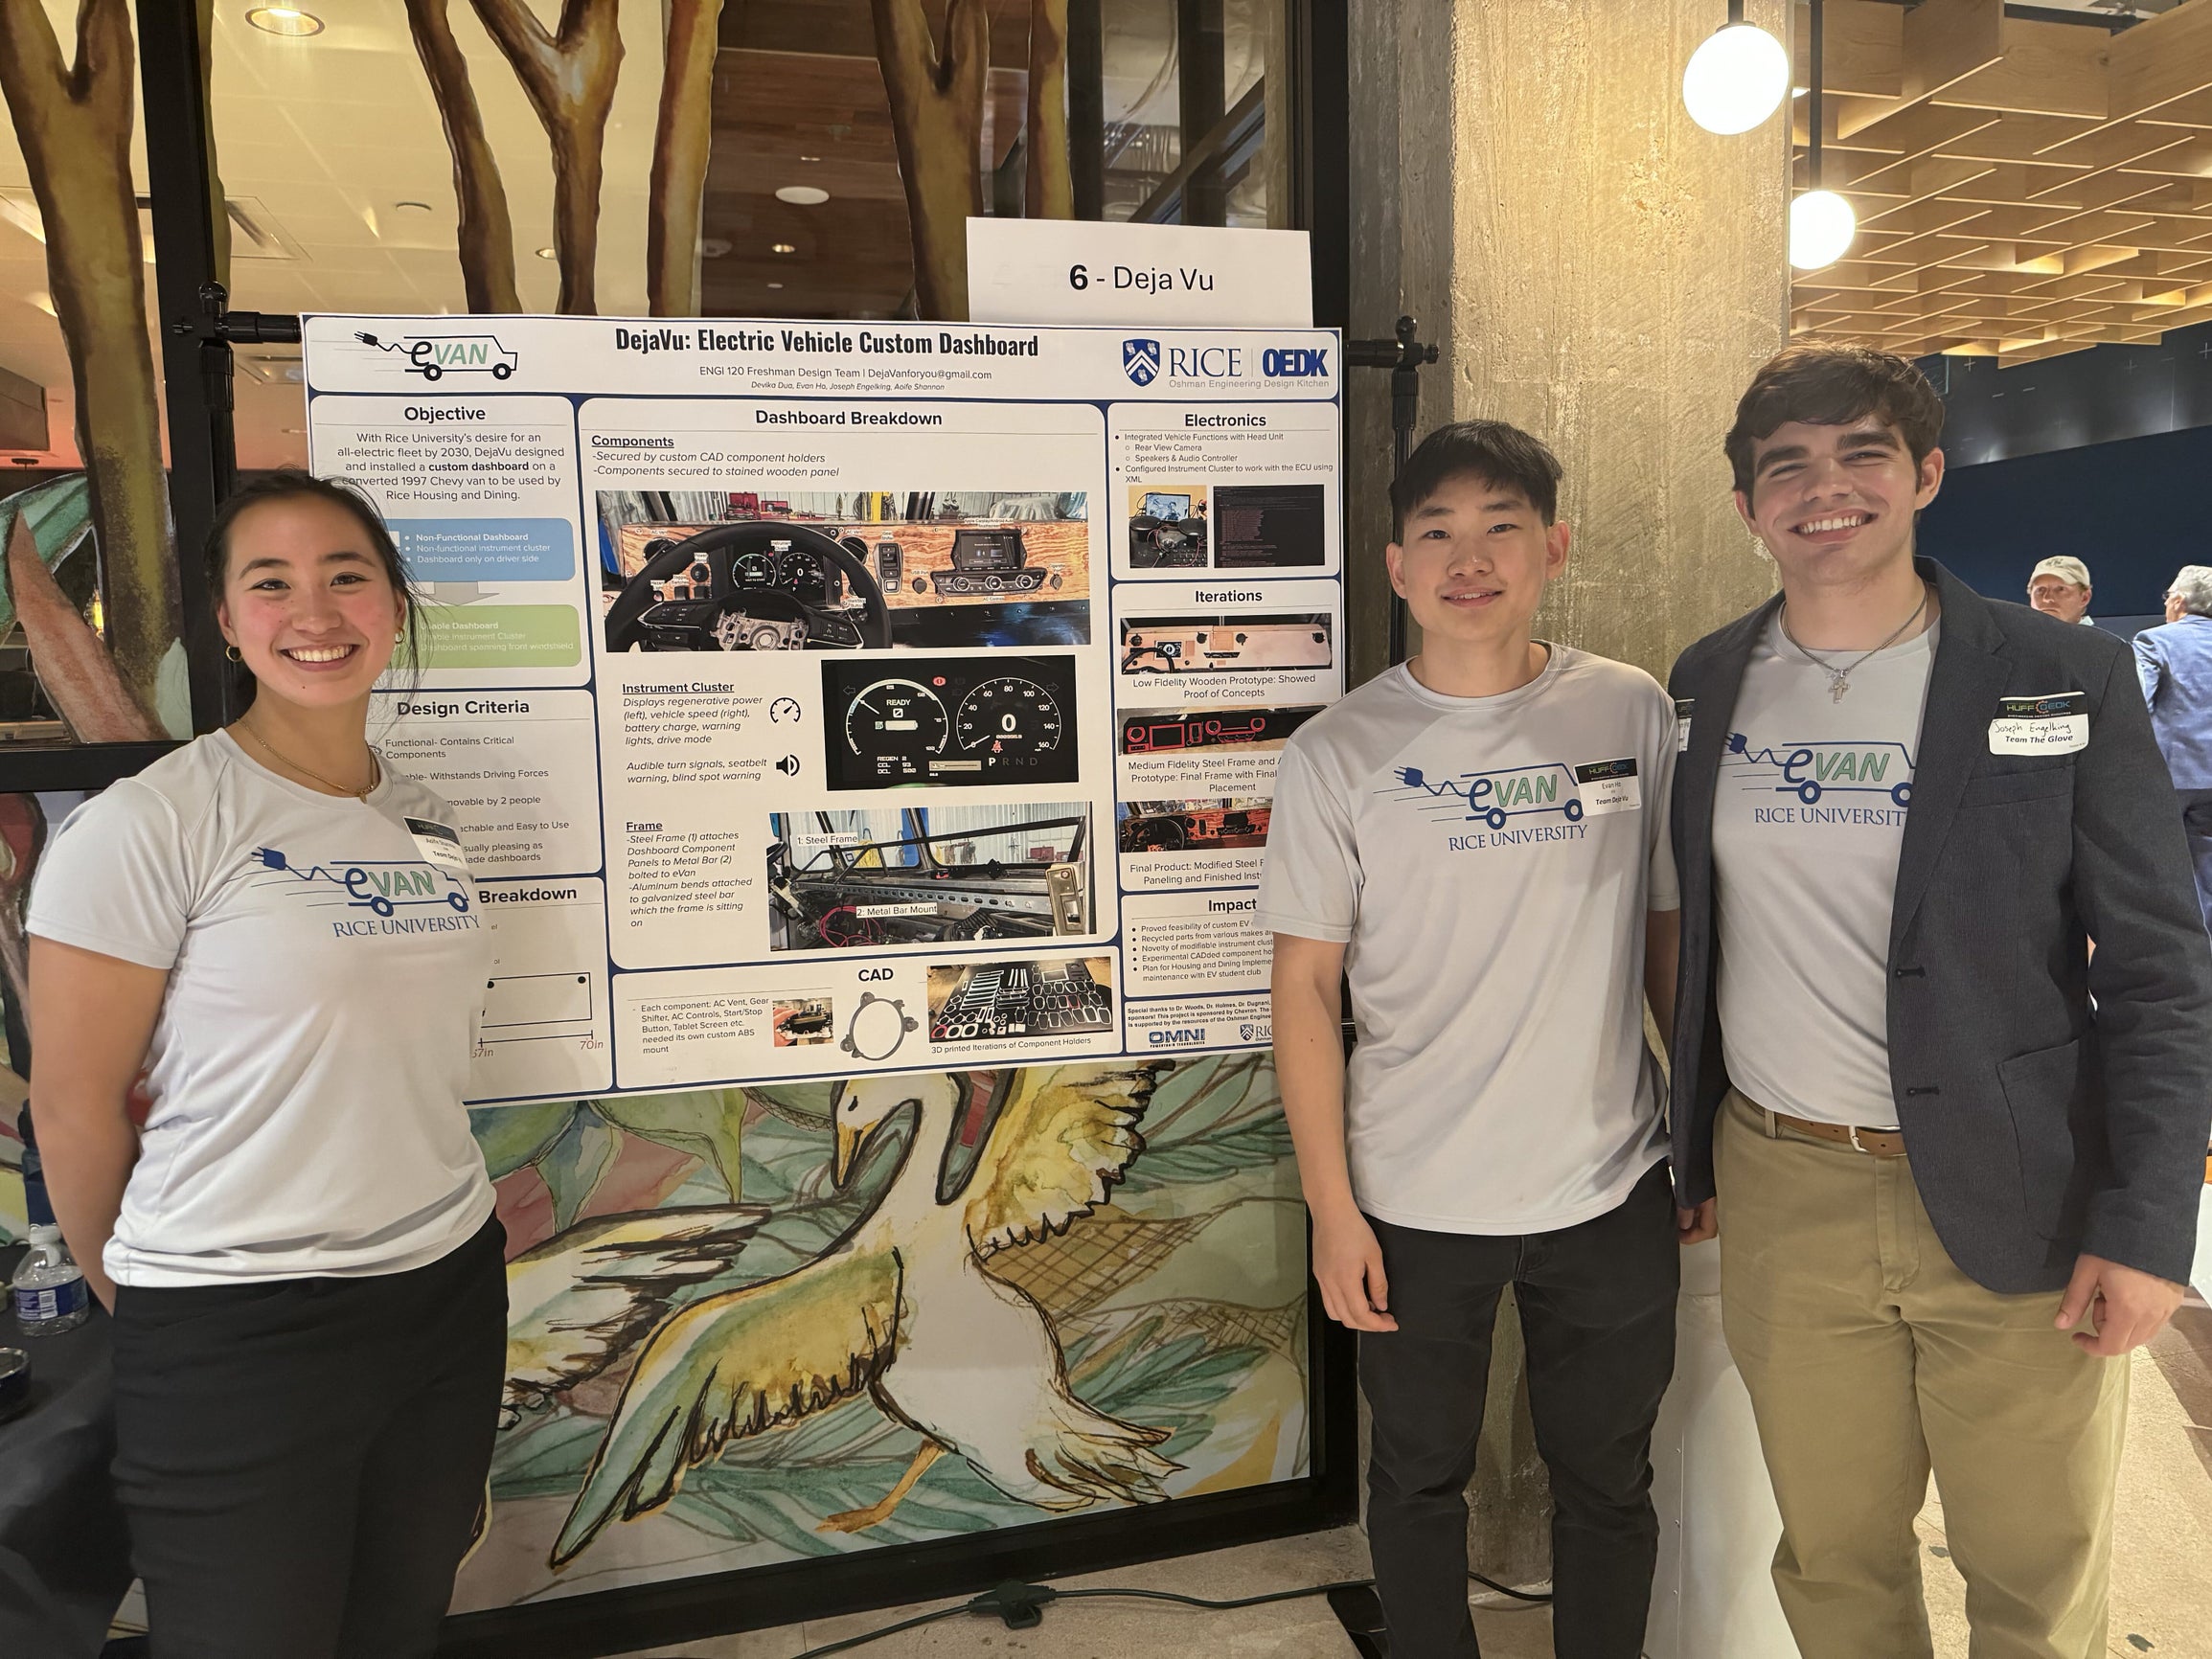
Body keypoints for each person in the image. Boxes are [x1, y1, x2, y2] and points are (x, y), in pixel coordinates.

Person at [1666, 343, 2212, 1659]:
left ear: (1924, 473)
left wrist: (2148, 1226)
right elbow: (1687, 930)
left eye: (1859, 452)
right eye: (1783, 465)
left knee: (2032, 1582)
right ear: (1747, 507)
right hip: (1789, 1193)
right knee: (1836, 1565)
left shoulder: (2055, 675)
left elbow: (2156, 968)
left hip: (2020, 1189)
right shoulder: (1704, 683)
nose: (1822, 487)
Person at [25, 472, 505, 1659]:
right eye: (271, 583)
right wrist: (146, 1306)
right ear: (229, 624)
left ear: (392, 605)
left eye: (346, 576)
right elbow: (72, 1103)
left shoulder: (424, 817)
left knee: (396, 1624)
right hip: (233, 1321)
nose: (316, 612)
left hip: (441, 1286)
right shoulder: (156, 822)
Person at [1260, 420, 1683, 1658]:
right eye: (1436, 531)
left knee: (1609, 1485)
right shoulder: (1337, 754)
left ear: (1551, 548)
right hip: (1410, 1199)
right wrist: (1333, 1211)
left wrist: (1692, 1140)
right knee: (1417, 1482)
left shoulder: (1626, 709)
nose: (1469, 557)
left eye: (1501, 526)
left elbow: (1662, 936)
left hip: (1609, 1185)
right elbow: (1302, 994)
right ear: (1395, 567)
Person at [2133, 563, 2212, 929]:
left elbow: (2136, 704)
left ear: (2178, 601)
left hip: (2171, 778)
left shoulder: (2155, 640)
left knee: (2161, 873)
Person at [2026, 555, 2096, 625]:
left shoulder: (2097, 636)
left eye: (2060, 589)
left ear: (2085, 598)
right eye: (2040, 589)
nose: (2047, 598)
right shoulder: (2019, 634)